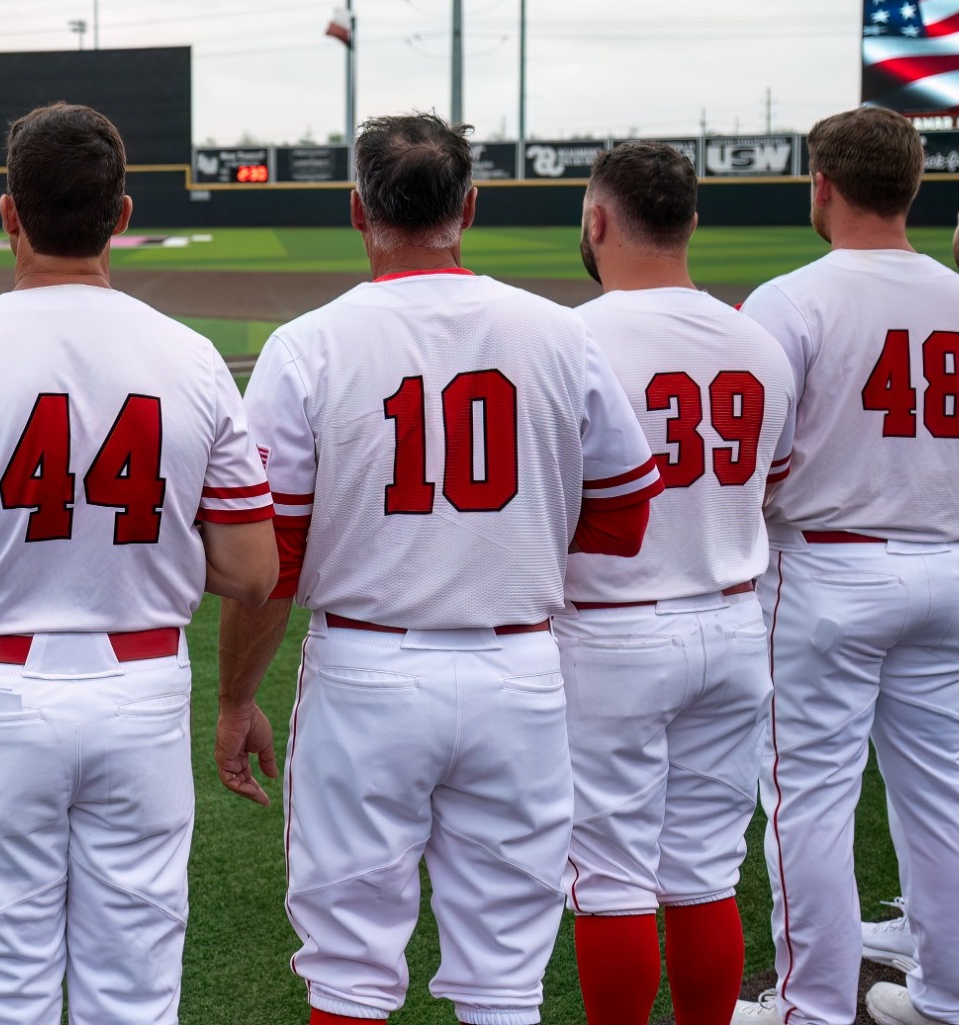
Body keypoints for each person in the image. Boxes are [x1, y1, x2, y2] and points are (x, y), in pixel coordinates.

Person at [217, 112, 663, 1025]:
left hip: (367, 674)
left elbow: (272, 563)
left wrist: (234, 697)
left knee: (349, 970)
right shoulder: (560, 332)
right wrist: (508, 551)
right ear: (470, 205)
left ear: (356, 210)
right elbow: (626, 517)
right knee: (504, 977)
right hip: (519, 673)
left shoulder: (308, 343)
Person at [0, 102, 277, 1025]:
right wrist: (149, 533)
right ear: (122, 215)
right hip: (142, 697)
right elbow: (254, 571)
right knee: (132, 997)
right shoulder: (195, 358)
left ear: (9, 213)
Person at [733, 106, 959, 1025]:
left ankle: (811, 1006)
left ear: (821, 186)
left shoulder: (791, 299)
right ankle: (948, 997)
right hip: (949, 566)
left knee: (809, 801)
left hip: (825, 571)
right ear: (915, 187)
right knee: (944, 794)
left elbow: (754, 460)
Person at [555, 141, 796, 1025]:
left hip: (613, 628)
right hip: (732, 620)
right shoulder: (759, 339)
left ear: (598, 220)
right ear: (692, 221)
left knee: (612, 878)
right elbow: (775, 479)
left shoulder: (571, 338)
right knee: (704, 869)